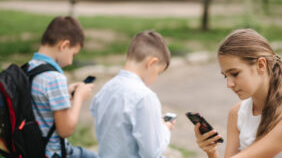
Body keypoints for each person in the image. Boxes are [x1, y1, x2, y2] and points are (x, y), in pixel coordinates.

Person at [194, 29, 282, 158]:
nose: (229, 84)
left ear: (261, 65)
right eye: (225, 76)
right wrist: (212, 151)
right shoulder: (237, 113)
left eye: (235, 74)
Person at [90, 30, 175, 157]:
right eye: (158, 72)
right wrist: (165, 129)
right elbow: (151, 152)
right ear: (151, 63)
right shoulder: (145, 97)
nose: (155, 78)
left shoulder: (106, 89)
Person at [28, 16, 97, 158]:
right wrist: (79, 98)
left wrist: (65, 93)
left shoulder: (30, 67)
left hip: (32, 148)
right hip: (53, 153)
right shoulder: (55, 78)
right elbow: (65, 130)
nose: (71, 61)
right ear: (64, 45)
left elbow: (39, 100)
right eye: (73, 54)